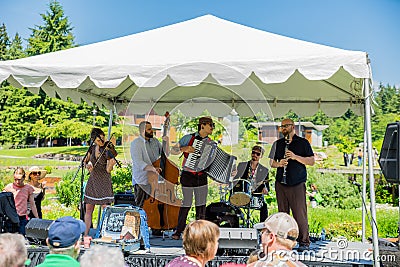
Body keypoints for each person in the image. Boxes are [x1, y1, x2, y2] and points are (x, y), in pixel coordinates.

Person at [268, 118, 315, 252]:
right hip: (281, 183)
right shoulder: (277, 144)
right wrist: (279, 164)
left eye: (285, 126)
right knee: (282, 215)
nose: (283, 129)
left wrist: (295, 157)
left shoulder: (303, 143)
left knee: (300, 214)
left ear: (292, 127)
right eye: (281, 127)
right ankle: (284, 242)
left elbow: (311, 161)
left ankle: (304, 242)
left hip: (297, 184)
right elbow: (271, 162)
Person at [170, 117, 215, 240]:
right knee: (187, 203)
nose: (212, 128)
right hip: (188, 175)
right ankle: (178, 230)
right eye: (210, 125)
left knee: (201, 206)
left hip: (202, 176)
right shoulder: (188, 138)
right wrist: (184, 149)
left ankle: (199, 234)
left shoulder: (211, 143)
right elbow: (172, 150)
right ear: (202, 126)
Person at [84, 127, 116, 236]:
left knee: (105, 209)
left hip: (103, 181)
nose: (102, 142)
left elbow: (108, 170)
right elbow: (84, 161)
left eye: (102, 139)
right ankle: (85, 235)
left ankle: (105, 235)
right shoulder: (92, 149)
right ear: (93, 140)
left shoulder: (108, 149)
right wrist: (87, 165)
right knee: (88, 209)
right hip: (93, 180)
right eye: (98, 140)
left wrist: (111, 164)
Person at [232, 145, 269, 222]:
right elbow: (235, 179)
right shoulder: (242, 165)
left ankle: (262, 228)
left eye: (258, 154)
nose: (255, 155)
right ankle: (235, 224)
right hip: (243, 192)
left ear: (261, 156)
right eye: (253, 152)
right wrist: (233, 175)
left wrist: (265, 189)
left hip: (256, 194)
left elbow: (267, 186)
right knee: (232, 203)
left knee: (264, 206)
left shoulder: (265, 170)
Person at [130, 121, 162, 208]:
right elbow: (139, 162)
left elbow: (164, 153)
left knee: (153, 207)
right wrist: (153, 169)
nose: (152, 131)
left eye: (151, 128)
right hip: (141, 180)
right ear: (142, 131)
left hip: (154, 180)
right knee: (141, 207)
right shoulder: (136, 143)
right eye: (149, 129)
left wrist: (166, 141)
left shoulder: (155, 141)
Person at [3, 167, 38, 235]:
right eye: (15, 179)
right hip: (11, 217)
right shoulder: (9, 187)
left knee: (22, 237)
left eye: (19, 180)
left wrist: (37, 218)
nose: (17, 182)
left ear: (24, 178)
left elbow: (32, 204)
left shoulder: (28, 188)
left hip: (22, 217)